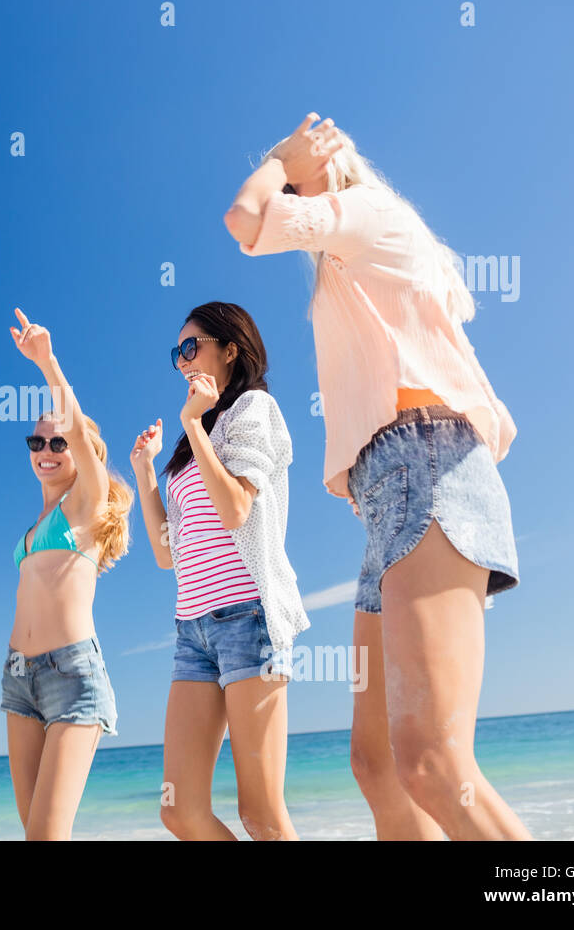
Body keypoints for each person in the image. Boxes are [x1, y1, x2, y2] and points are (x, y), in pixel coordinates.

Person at [225, 113, 529, 840]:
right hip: (390, 498)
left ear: (325, 166)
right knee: (379, 765)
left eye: (298, 181)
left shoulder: (369, 213)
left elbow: (247, 219)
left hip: (424, 471)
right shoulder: (350, 259)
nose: (289, 192)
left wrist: (277, 158)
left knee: (432, 761)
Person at [131, 301, 308, 840]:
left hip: (248, 618)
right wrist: (145, 474)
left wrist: (192, 423)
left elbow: (235, 510)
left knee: (261, 813)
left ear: (230, 349)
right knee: (179, 810)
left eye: (192, 346)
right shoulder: (193, 442)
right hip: (193, 629)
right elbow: (168, 553)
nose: (183, 361)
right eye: (176, 352)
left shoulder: (253, 409)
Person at [3, 307, 132, 840]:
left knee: (46, 835)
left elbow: (77, 427)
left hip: (71, 674)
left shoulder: (86, 502)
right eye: (37, 443)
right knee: (31, 831)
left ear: (84, 456)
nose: (47, 451)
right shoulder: (36, 524)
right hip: (16, 678)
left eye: (58, 443)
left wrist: (46, 363)